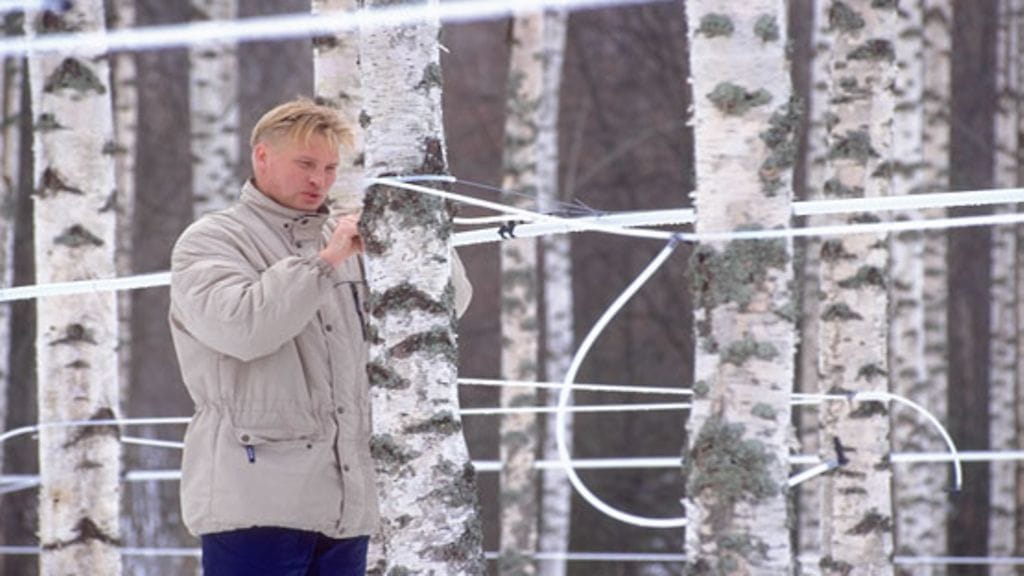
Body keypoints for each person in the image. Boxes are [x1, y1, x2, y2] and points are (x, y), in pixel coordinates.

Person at [168, 98, 471, 575]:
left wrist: (417, 234)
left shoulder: (347, 235)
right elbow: (245, 328)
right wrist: (324, 263)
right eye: (305, 164)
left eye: (330, 167)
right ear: (262, 156)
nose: (319, 180)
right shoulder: (212, 240)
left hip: (346, 507)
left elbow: (440, 311)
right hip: (253, 500)